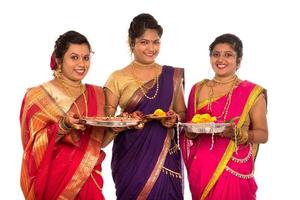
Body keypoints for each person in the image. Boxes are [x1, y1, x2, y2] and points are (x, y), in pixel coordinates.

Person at [104, 13, 186, 199]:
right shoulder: (117, 77)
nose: (151, 48)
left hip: (165, 156)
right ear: (131, 43)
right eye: (144, 42)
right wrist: (122, 121)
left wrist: (174, 119)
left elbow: (182, 114)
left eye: (156, 42)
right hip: (130, 157)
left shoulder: (171, 75)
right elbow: (105, 123)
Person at [20, 30, 110, 200]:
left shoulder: (97, 93)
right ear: (59, 60)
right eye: (74, 57)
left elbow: (100, 141)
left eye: (86, 57)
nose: (82, 64)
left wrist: (119, 127)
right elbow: (32, 148)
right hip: (53, 180)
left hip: (88, 178)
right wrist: (63, 125)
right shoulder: (38, 96)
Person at [181, 33, 268, 200]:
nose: (221, 59)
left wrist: (241, 134)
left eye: (228, 55)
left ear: (239, 61)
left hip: (234, 165)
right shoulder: (198, 88)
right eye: (216, 54)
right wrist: (191, 130)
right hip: (202, 167)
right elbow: (189, 131)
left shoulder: (252, 93)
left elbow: (263, 134)